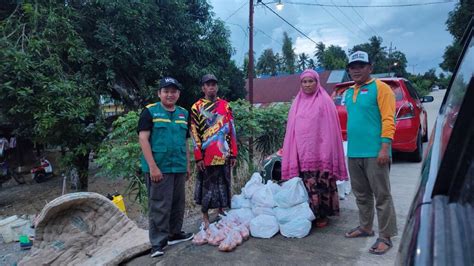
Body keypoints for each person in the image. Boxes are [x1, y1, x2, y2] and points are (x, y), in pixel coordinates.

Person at [343, 51, 397, 255]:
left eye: (360, 66)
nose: (356, 70)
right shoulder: (348, 92)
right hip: (354, 152)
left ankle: (386, 236)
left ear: (370, 68)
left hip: (376, 152)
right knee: (362, 194)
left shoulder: (381, 89)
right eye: (352, 67)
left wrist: (385, 147)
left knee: (382, 195)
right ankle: (365, 227)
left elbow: (388, 120)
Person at [281, 69, 348, 228]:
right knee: (308, 184)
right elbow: (292, 128)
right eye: (304, 81)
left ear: (317, 82)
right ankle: (310, 214)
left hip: (322, 151)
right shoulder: (297, 102)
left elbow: (330, 128)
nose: (307, 84)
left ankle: (323, 215)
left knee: (322, 182)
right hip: (304, 152)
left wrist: (328, 149)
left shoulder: (325, 101)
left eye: (311, 81)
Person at [138, 77, 194, 258]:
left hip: (178, 165)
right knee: (160, 205)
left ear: (178, 94)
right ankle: (157, 243)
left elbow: (185, 142)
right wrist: (153, 167)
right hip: (158, 167)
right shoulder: (149, 112)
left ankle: (174, 233)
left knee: (178, 203)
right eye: (166, 91)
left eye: (173, 91)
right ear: (159, 93)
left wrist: (187, 164)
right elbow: (143, 139)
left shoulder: (183, 113)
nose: (170, 94)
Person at [190, 74, 238, 228]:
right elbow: (194, 133)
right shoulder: (196, 107)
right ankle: (204, 217)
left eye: (214, 84)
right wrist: (198, 157)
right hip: (207, 156)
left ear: (217, 87)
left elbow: (232, 130)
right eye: (208, 84)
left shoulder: (225, 105)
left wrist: (233, 153)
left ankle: (220, 212)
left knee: (224, 185)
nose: (211, 87)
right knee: (207, 189)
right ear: (203, 88)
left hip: (223, 154)